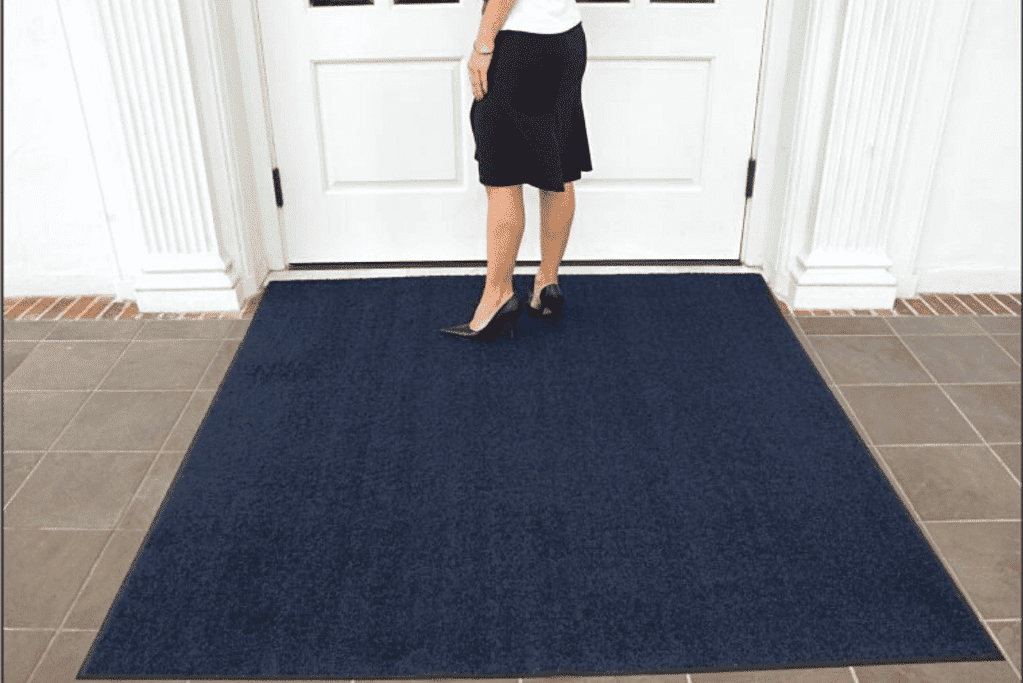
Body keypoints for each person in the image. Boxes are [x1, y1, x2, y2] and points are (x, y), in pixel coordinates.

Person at [440, 0, 592, 341]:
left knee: (502, 176)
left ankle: (497, 295)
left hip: (520, 45)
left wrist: (483, 44)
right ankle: (546, 283)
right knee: (559, 168)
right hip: (568, 39)